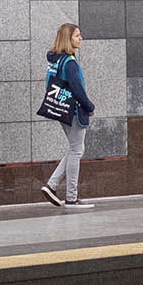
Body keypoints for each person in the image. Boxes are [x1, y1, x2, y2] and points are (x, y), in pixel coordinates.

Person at [39, 24, 96, 210]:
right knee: (77, 151)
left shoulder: (55, 60)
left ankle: (52, 186)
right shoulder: (70, 63)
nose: (81, 38)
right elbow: (77, 88)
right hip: (74, 110)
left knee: (74, 149)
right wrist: (89, 106)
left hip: (60, 109)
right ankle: (71, 197)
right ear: (68, 38)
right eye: (77, 35)